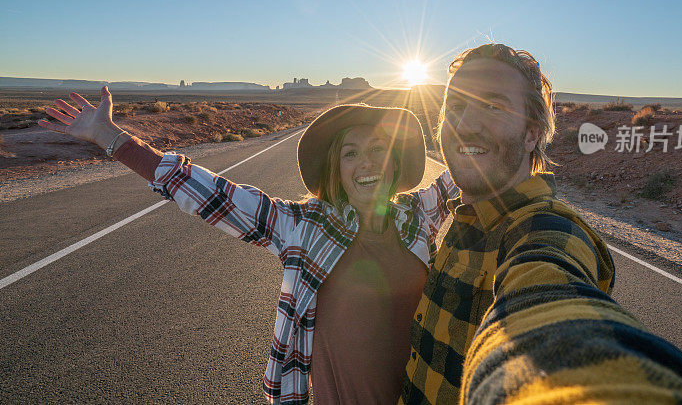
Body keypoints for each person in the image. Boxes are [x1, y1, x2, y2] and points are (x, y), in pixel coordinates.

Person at [38, 89, 459, 405]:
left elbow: (476, 167)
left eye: (379, 150)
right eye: (351, 153)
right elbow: (210, 193)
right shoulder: (304, 227)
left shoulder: (418, 216)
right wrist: (111, 137)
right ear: (337, 168)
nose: (367, 163)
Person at [398, 43, 682, 404]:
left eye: (493, 106)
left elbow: (548, 300)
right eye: (456, 107)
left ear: (532, 133)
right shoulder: (458, 216)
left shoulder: (547, 231)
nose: (464, 126)